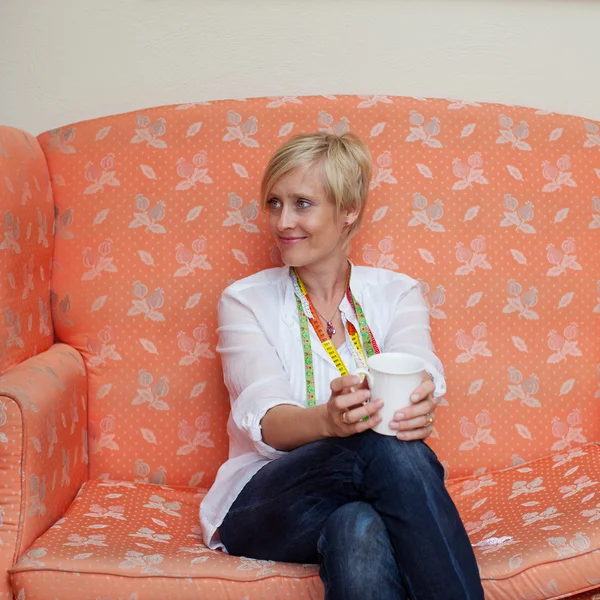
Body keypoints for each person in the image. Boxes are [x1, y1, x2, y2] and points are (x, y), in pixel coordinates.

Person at [200, 132, 484, 599]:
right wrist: (327, 422)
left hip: (366, 496)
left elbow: (418, 367)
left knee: (359, 526)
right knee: (379, 444)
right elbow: (267, 421)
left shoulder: (397, 293)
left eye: (302, 203)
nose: (282, 221)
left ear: (348, 210)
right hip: (265, 506)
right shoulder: (244, 300)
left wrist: (420, 403)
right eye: (274, 203)